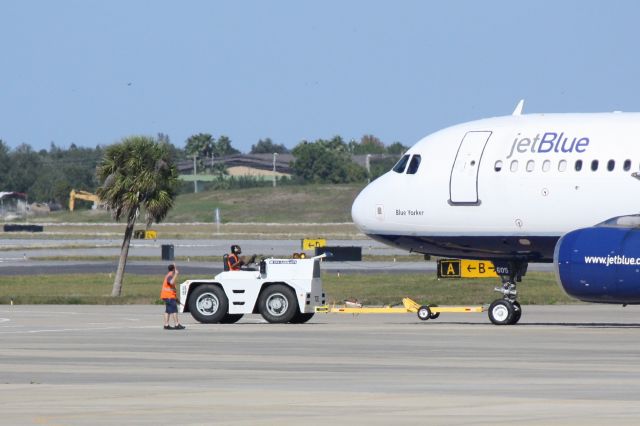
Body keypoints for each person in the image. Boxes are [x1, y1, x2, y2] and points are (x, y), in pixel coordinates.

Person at [160, 263, 185, 330]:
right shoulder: (170, 276)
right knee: (174, 310)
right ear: (173, 269)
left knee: (168, 311)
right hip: (169, 296)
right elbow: (171, 282)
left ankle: (166, 324)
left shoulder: (169, 275)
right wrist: (176, 274)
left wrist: (176, 298)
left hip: (168, 296)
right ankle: (177, 324)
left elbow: (172, 288)